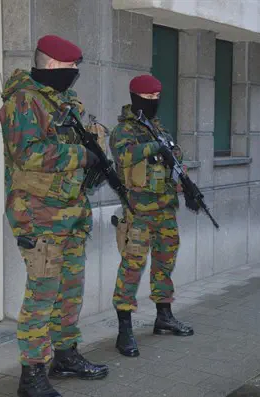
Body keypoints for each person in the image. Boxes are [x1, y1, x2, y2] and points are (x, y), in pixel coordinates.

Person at [0, 35, 109, 397]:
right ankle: (31, 375)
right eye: (69, 67)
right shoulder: (23, 101)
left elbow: (75, 142)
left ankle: (65, 354)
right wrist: (81, 155)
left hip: (70, 212)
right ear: (50, 65)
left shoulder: (62, 101)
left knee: (69, 290)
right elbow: (28, 154)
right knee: (42, 294)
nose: (74, 73)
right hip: (38, 214)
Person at [110, 75, 194, 358]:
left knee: (165, 262)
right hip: (138, 212)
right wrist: (155, 147)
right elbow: (123, 156)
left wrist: (186, 185)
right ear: (135, 98)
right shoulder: (124, 130)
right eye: (147, 99)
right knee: (132, 267)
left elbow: (174, 159)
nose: (153, 103)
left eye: (156, 98)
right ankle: (124, 330)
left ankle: (164, 316)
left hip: (165, 209)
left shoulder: (157, 126)